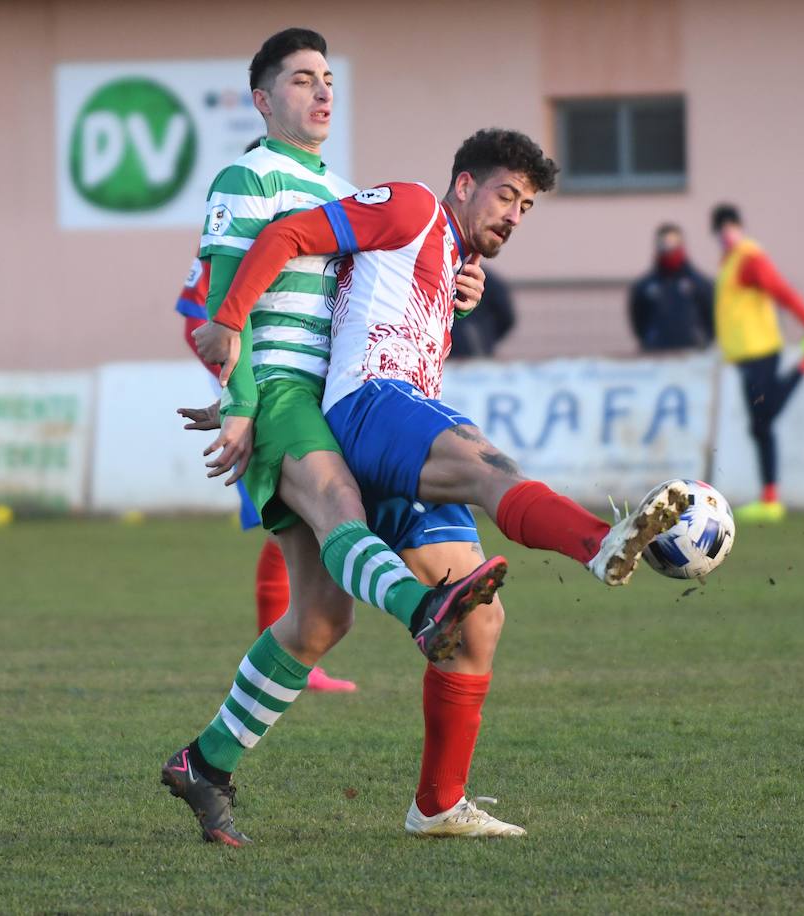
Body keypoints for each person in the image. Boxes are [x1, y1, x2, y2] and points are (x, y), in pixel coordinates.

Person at [199, 128, 690, 838]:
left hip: (398, 424)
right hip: (372, 403)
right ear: (464, 184)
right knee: (490, 468)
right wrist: (230, 330)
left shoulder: (450, 259)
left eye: (525, 207)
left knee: (473, 624)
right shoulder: (408, 206)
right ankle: (599, 542)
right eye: (505, 196)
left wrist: (460, 288)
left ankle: (435, 805)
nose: (514, 216)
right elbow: (287, 236)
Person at [160, 29, 508, 848]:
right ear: (262, 99)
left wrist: (457, 284)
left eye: (327, 80)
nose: (321, 94)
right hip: (281, 391)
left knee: (319, 621)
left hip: (334, 401)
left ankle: (203, 765)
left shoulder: (342, 189)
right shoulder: (246, 176)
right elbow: (221, 304)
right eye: (301, 80)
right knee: (339, 503)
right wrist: (241, 399)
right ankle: (425, 611)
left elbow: (386, 292)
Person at [175, 184, 354, 693]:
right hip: (259, 399)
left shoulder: (309, 231)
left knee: (302, 520)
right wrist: (239, 391)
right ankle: (283, 651)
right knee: (289, 519)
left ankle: (294, 650)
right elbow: (196, 319)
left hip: (301, 390)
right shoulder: (233, 233)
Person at [710, 204, 804, 523]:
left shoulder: (747, 259)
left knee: (763, 419)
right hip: (747, 355)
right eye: (721, 227)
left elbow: (782, 292)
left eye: (730, 225)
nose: (726, 232)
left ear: (740, 226)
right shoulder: (730, 263)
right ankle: (769, 497)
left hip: (760, 351)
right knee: (761, 424)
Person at [628, 223, 713, 352]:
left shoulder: (700, 283)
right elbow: (638, 321)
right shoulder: (644, 286)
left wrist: (702, 340)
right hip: (657, 355)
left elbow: (710, 319)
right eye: (664, 243)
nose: (668, 248)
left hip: (692, 355)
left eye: (672, 243)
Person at [448, 267, 514, 358]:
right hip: (449, 351)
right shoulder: (490, 280)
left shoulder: (489, 281)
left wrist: (486, 337)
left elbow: (506, 318)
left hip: (474, 352)